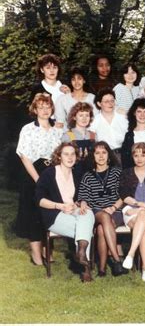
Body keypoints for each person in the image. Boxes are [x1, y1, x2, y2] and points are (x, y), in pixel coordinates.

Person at [35, 142, 95, 282]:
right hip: (53, 214)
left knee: (88, 213)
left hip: (72, 210)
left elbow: (79, 197)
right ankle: (85, 268)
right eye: (66, 154)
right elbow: (39, 200)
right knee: (85, 228)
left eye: (73, 154)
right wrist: (59, 206)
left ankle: (81, 254)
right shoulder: (49, 173)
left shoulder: (76, 173)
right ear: (59, 156)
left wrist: (81, 203)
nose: (70, 157)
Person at [16, 93, 63, 265]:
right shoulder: (28, 129)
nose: (44, 110)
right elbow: (24, 157)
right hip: (33, 174)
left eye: (48, 107)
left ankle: (48, 251)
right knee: (34, 213)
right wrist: (38, 179)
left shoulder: (57, 131)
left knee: (49, 213)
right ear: (35, 109)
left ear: (52, 109)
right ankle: (36, 254)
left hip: (52, 174)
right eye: (41, 107)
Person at [77, 141, 128, 277]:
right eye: (97, 153)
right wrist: (82, 202)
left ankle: (102, 269)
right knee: (104, 217)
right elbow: (83, 197)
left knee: (101, 229)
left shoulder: (117, 173)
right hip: (96, 212)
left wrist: (113, 207)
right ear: (92, 156)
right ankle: (117, 261)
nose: (101, 156)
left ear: (109, 156)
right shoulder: (88, 176)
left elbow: (124, 195)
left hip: (115, 211)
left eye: (104, 152)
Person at [119, 143, 145, 282]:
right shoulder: (126, 173)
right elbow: (125, 196)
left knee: (143, 215)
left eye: (143, 155)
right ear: (132, 157)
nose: (139, 158)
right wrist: (140, 205)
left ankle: (130, 254)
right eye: (136, 155)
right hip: (131, 210)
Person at [89, 88, 128, 159]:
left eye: (112, 101)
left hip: (124, 153)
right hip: (105, 156)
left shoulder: (123, 117)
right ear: (99, 104)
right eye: (106, 101)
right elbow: (92, 140)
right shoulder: (94, 121)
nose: (110, 104)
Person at [61, 102, 96, 174]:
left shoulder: (93, 135)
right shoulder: (68, 135)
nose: (84, 118)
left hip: (91, 174)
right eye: (81, 115)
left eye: (87, 115)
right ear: (74, 117)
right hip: (74, 173)